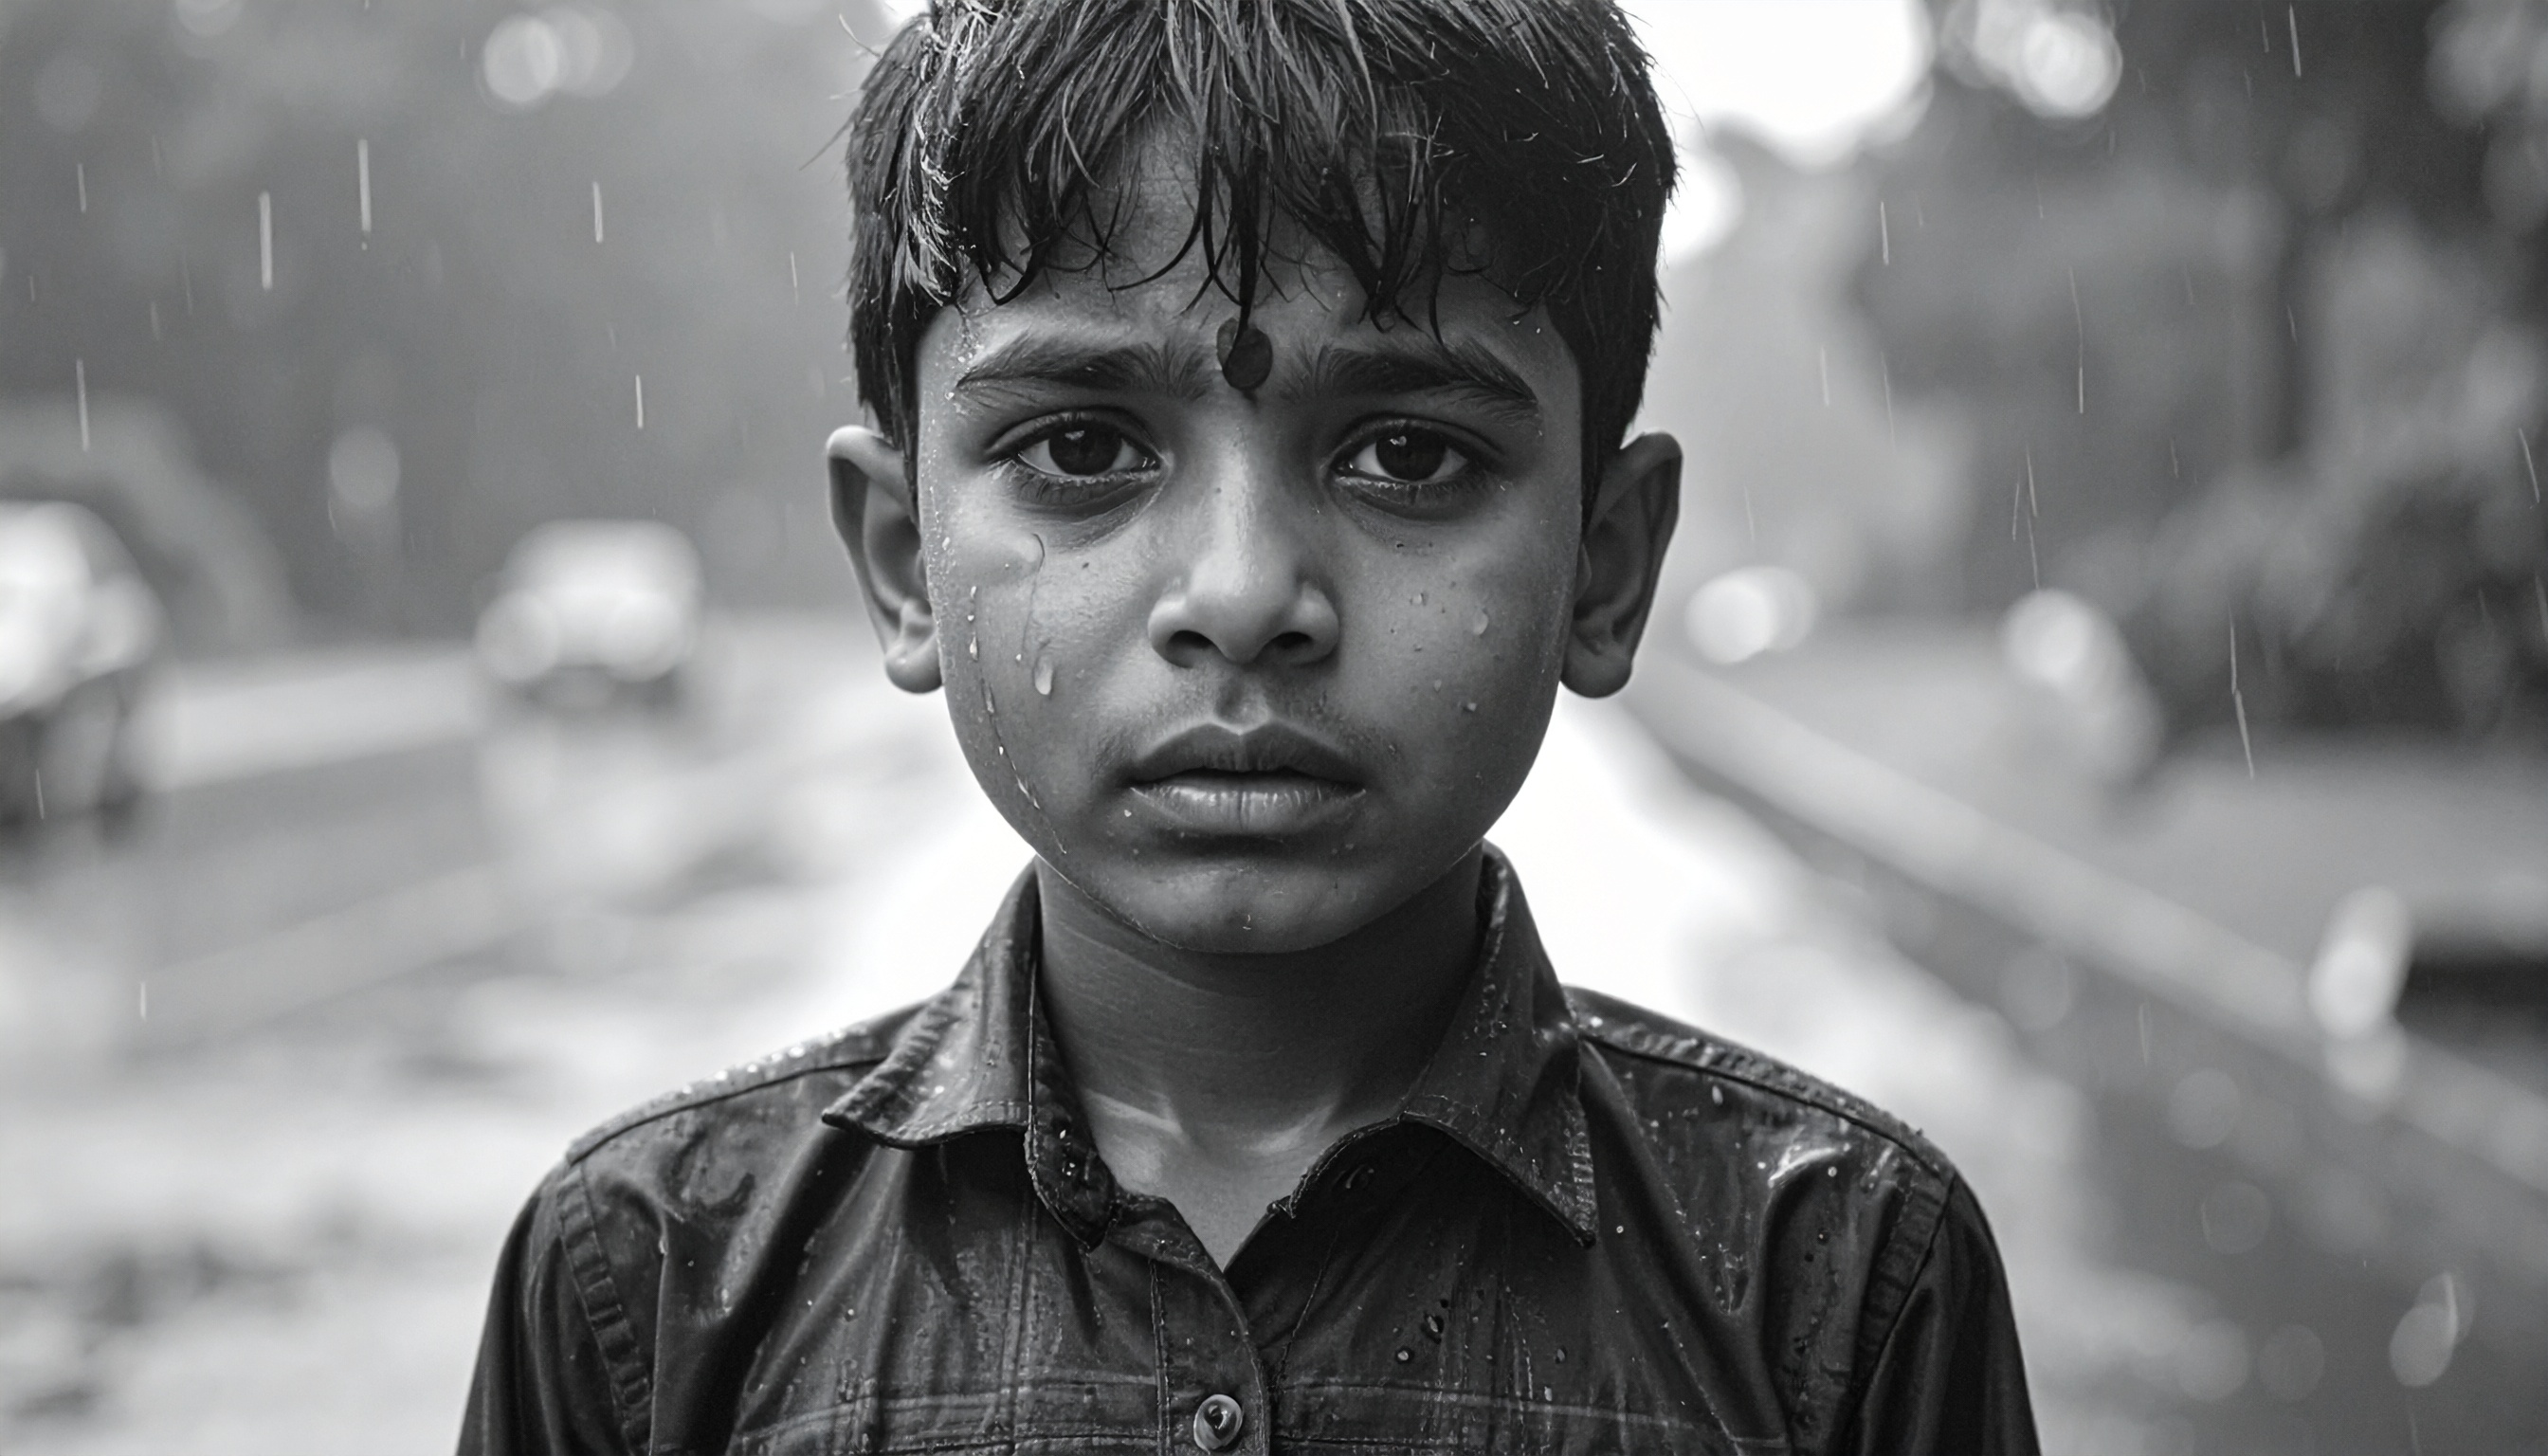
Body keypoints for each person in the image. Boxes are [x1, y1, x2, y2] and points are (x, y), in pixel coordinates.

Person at [458, 2, 2039, 1451]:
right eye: (1082, 444)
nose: (1243, 592)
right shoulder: (647, 1291)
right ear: (902, 563)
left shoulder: (1837, 1285)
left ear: (1602, 568)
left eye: (1406, 457)